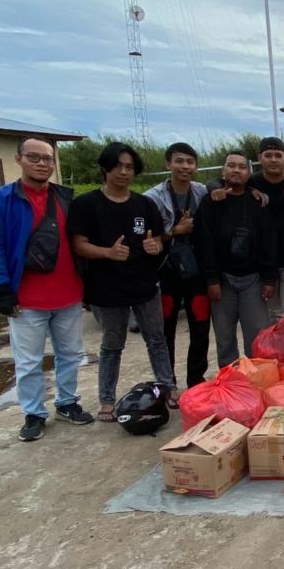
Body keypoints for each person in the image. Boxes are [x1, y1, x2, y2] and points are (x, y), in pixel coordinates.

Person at [0, 137, 93, 442]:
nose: (42, 163)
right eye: (34, 157)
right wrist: (2, 288)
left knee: (70, 354)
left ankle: (67, 403)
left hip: (68, 294)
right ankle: (33, 414)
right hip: (27, 299)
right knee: (29, 362)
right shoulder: (0, 201)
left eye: (48, 158)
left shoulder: (65, 198)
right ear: (19, 158)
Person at [67, 142, 178, 422]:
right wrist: (108, 252)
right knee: (112, 344)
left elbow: (157, 240)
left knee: (157, 339)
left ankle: (168, 388)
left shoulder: (144, 204)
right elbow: (78, 245)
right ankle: (107, 400)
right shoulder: (86, 204)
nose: (124, 172)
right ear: (105, 168)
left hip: (144, 284)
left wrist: (155, 247)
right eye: (117, 166)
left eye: (129, 167)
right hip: (106, 288)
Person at [208, 136, 284, 323]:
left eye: (278, 155)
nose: (273, 159)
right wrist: (215, 189)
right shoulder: (251, 182)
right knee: (270, 320)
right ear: (259, 158)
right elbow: (218, 182)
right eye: (268, 155)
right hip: (262, 265)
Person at [196, 152, 278, 367]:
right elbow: (204, 242)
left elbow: (268, 242)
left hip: (253, 279)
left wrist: (269, 279)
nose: (236, 170)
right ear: (223, 171)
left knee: (257, 337)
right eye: (231, 166)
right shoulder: (210, 202)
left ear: (249, 173)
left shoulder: (257, 201)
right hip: (222, 280)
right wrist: (212, 279)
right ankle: (231, 381)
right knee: (224, 338)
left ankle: (257, 379)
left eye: (242, 167)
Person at [144, 142, 210, 388]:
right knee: (165, 330)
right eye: (179, 161)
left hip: (196, 269)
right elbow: (147, 239)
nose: (185, 166)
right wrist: (174, 231)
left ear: (196, 166)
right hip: (166, 270)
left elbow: (219, 187)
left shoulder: (202, 192)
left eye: (190, 162)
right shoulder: (152, 198)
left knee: (201, 327)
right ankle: (167, 383)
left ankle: (196, 381)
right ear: (168, 164)